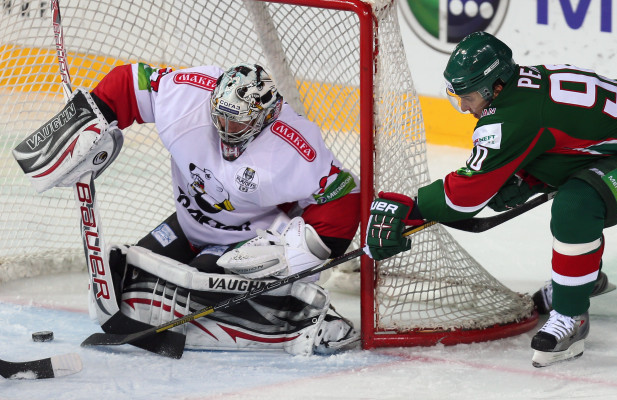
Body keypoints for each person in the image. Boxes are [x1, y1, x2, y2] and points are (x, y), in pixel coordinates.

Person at [363, 31, 617, 367]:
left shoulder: (513, 118)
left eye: (470, 96)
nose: (462, 106)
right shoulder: (523, 86)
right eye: (456, 95)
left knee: (576, 206)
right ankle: (583, 279)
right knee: (516, 184)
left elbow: (464, 197)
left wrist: (411, 208)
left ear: (496, 87)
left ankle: (571, 316)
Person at [13, 63, 361, 356]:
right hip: (187, 225)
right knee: (129, 282)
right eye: (220, 118)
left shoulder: (291, 147)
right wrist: (88, 122)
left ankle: (310, 310)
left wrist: (302, 253)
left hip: (246, 241)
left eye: (237, 123)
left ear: (266, 117)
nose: (225, 129)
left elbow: (345, 195)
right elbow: (130, 83)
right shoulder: (187, 97)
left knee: (197, 291)